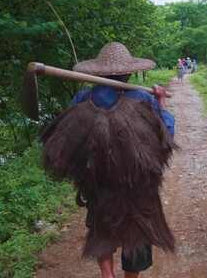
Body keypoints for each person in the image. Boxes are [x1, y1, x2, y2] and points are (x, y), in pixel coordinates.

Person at [41, 42, 176, 278]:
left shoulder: (83, 99)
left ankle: (107, 276)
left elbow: (64, 140)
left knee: (102, 231)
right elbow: (166, 137)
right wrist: (162, 102)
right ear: (130, 72)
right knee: (138, 231)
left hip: (99, 183)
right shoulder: (144, 99)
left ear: (99, 73)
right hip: (139, 187)